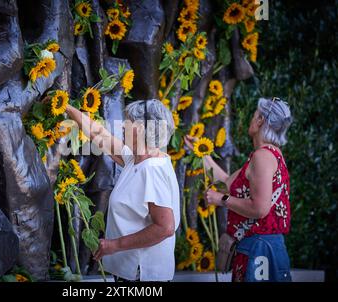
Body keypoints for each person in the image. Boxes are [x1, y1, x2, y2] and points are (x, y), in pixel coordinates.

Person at [65, 99, 180, 281]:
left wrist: (115, 245)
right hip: (131, 272)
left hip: (142, 275)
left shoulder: (152, 169)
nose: (123, 126)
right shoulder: (137, 159)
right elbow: (101, 136)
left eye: (127, 122)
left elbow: (165, 227)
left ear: (141, 129)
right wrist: (67, 107)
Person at [184, 97, 293, 282]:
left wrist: (221, 200)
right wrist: (201, 153)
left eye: (254, 116)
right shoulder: (267, 155)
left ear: (260, 121)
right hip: (258, 247)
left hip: (260, 248)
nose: (251, 120)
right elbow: (226, 181)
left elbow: (259, 209)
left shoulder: (263, 157)